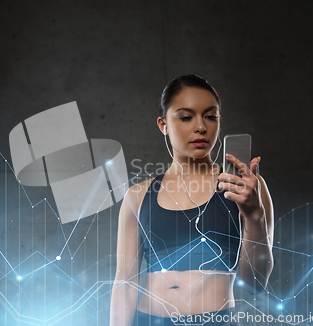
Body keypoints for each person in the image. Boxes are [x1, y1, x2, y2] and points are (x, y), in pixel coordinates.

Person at [110, 75, 274, 326]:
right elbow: (125, 282)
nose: (200, 127)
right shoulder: (138, 196)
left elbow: (255, 283)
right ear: (163, 124)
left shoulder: (245, 188)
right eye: (186, 117)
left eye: (210, 116)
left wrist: (254, 216)